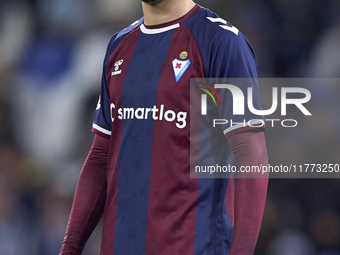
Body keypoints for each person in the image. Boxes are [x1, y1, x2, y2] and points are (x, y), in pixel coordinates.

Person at [59, 0, 268, 254]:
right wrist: (69, 248)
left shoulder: (221, 41)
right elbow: (101, 157)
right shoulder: (119, 45)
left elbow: (251, 155)